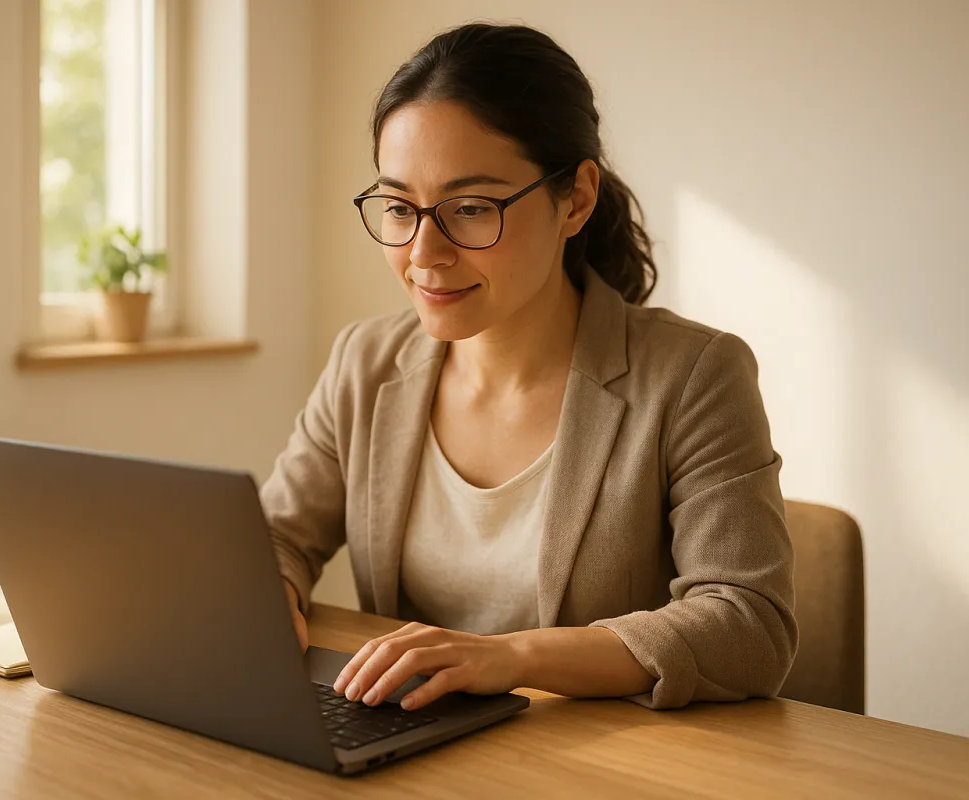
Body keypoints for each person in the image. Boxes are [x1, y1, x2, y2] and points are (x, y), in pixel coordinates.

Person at [262, 22, 797, 712]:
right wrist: (267, 599)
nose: (424, 252)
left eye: (471, 209)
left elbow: (749, 623)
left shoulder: (693, 374)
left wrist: (511, 657)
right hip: (410, 749)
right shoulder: (366, 361)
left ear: (575, 198)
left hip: (602, 767)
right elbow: (275, 535)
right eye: (400, 207)